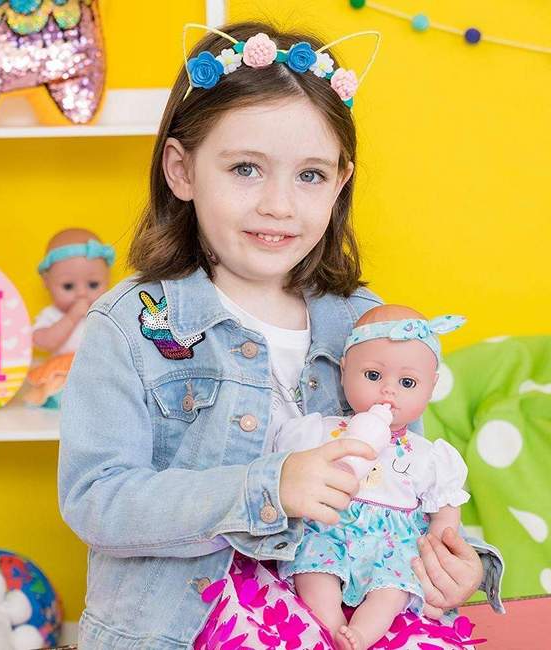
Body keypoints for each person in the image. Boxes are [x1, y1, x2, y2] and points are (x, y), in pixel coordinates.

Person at [57, 20, 504, 649]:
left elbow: (412, 477)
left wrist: (458, 565)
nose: (279, 204)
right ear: (182, 171)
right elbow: (96, 501)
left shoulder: (366, 323)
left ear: (341, 181)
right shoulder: (130, 325)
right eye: (245, 168)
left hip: (348, 622)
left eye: (311, 175)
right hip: (180, 630)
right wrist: (268, 488)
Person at [274, 304, 471, 649]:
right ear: (345, 369)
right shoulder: (324, 430)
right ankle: (332, 624)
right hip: (329, 525)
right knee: (313, 568)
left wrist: (439, 550)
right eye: (373, 376)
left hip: (391, 542)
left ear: (431, 386)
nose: (388, 392)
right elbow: (289, 469)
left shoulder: (429, 456)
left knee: (392, 589)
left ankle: (362, 634)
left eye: (407, 382)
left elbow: (445, 511)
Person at [23, 228, 113, 408]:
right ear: (47, 283)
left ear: (108, 278)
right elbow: (43, 341)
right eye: (68, 286)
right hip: (65, 371)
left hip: (100, 367)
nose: (81, 293)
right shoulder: (52, 315)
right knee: (65, 393)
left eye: (93, 284)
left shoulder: (107, 310)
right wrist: (72, 317)